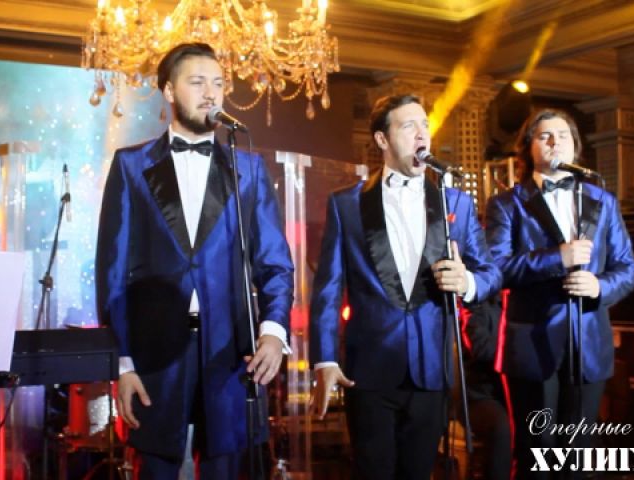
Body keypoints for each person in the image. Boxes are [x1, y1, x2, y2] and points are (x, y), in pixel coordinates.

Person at [95, 42, 294, 480]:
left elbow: (275, 263)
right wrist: (122, 362)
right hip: (154, 351)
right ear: (169, 91)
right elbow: (112, 272)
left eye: (218, 83)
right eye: (198, 82)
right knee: (155, 470)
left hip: (231, 352)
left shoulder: (247, 168)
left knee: (226, 469)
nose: (211, 93)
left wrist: (274, 332)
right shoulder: (131, 165)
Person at [309, 94, 502, 480]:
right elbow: (328, 287)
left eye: (425, 125)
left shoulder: (455, 203)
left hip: (432, 369)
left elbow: (491, 273)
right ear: (382, 139)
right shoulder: (346, 204)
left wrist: (466, 282)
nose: (422, 134)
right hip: (369, 369)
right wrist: (325, 360)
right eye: (409, 125)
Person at [484, 109, 634, 478]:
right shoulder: (507, 203)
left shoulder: (602, 200)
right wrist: (558, 258)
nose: (556, 142)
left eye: (564, 135)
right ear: (528, 147)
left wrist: (600, 286)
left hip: (588, 344)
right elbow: (497, 268)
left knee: (579, 458)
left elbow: (628, 268)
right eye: (545, 136)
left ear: (576, 146)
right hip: (532, 344)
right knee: (535, 457)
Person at [461, 291, 512, 480]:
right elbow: (480, 347)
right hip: (482, 397)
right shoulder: (476, 303)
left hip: (519, 395)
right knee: (503, 427)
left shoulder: (527, 303)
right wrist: (520, 354)